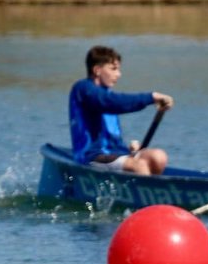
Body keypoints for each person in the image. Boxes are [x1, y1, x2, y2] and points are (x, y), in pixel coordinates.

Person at [68, 45, 173, 175]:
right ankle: (147, 192)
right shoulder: (83, 89)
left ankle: (154, 191)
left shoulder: (107, 93)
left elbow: (110, 137)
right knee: (139, 165)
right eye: (113, 69)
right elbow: (110, 102)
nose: (118, 74)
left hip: (113, 155)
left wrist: (130, 150)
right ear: (97, 70)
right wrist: (151, 97)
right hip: (90, 156)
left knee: (158, 156)